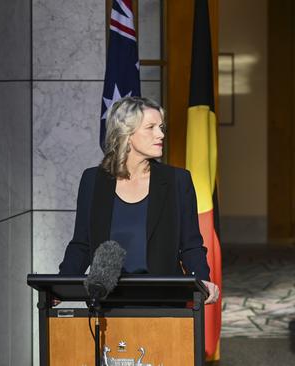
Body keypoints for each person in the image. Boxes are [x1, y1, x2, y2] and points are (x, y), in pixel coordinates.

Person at [59, 96, 219, 304]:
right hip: (108, 303)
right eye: (151, 127)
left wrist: (202, 281)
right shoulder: (93, 180)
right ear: (127, 133)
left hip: (164, 303)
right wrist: (60, 286)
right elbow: (82, 244)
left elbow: (191, 245)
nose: (160, 134)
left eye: (161, 127)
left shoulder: (177, 181)